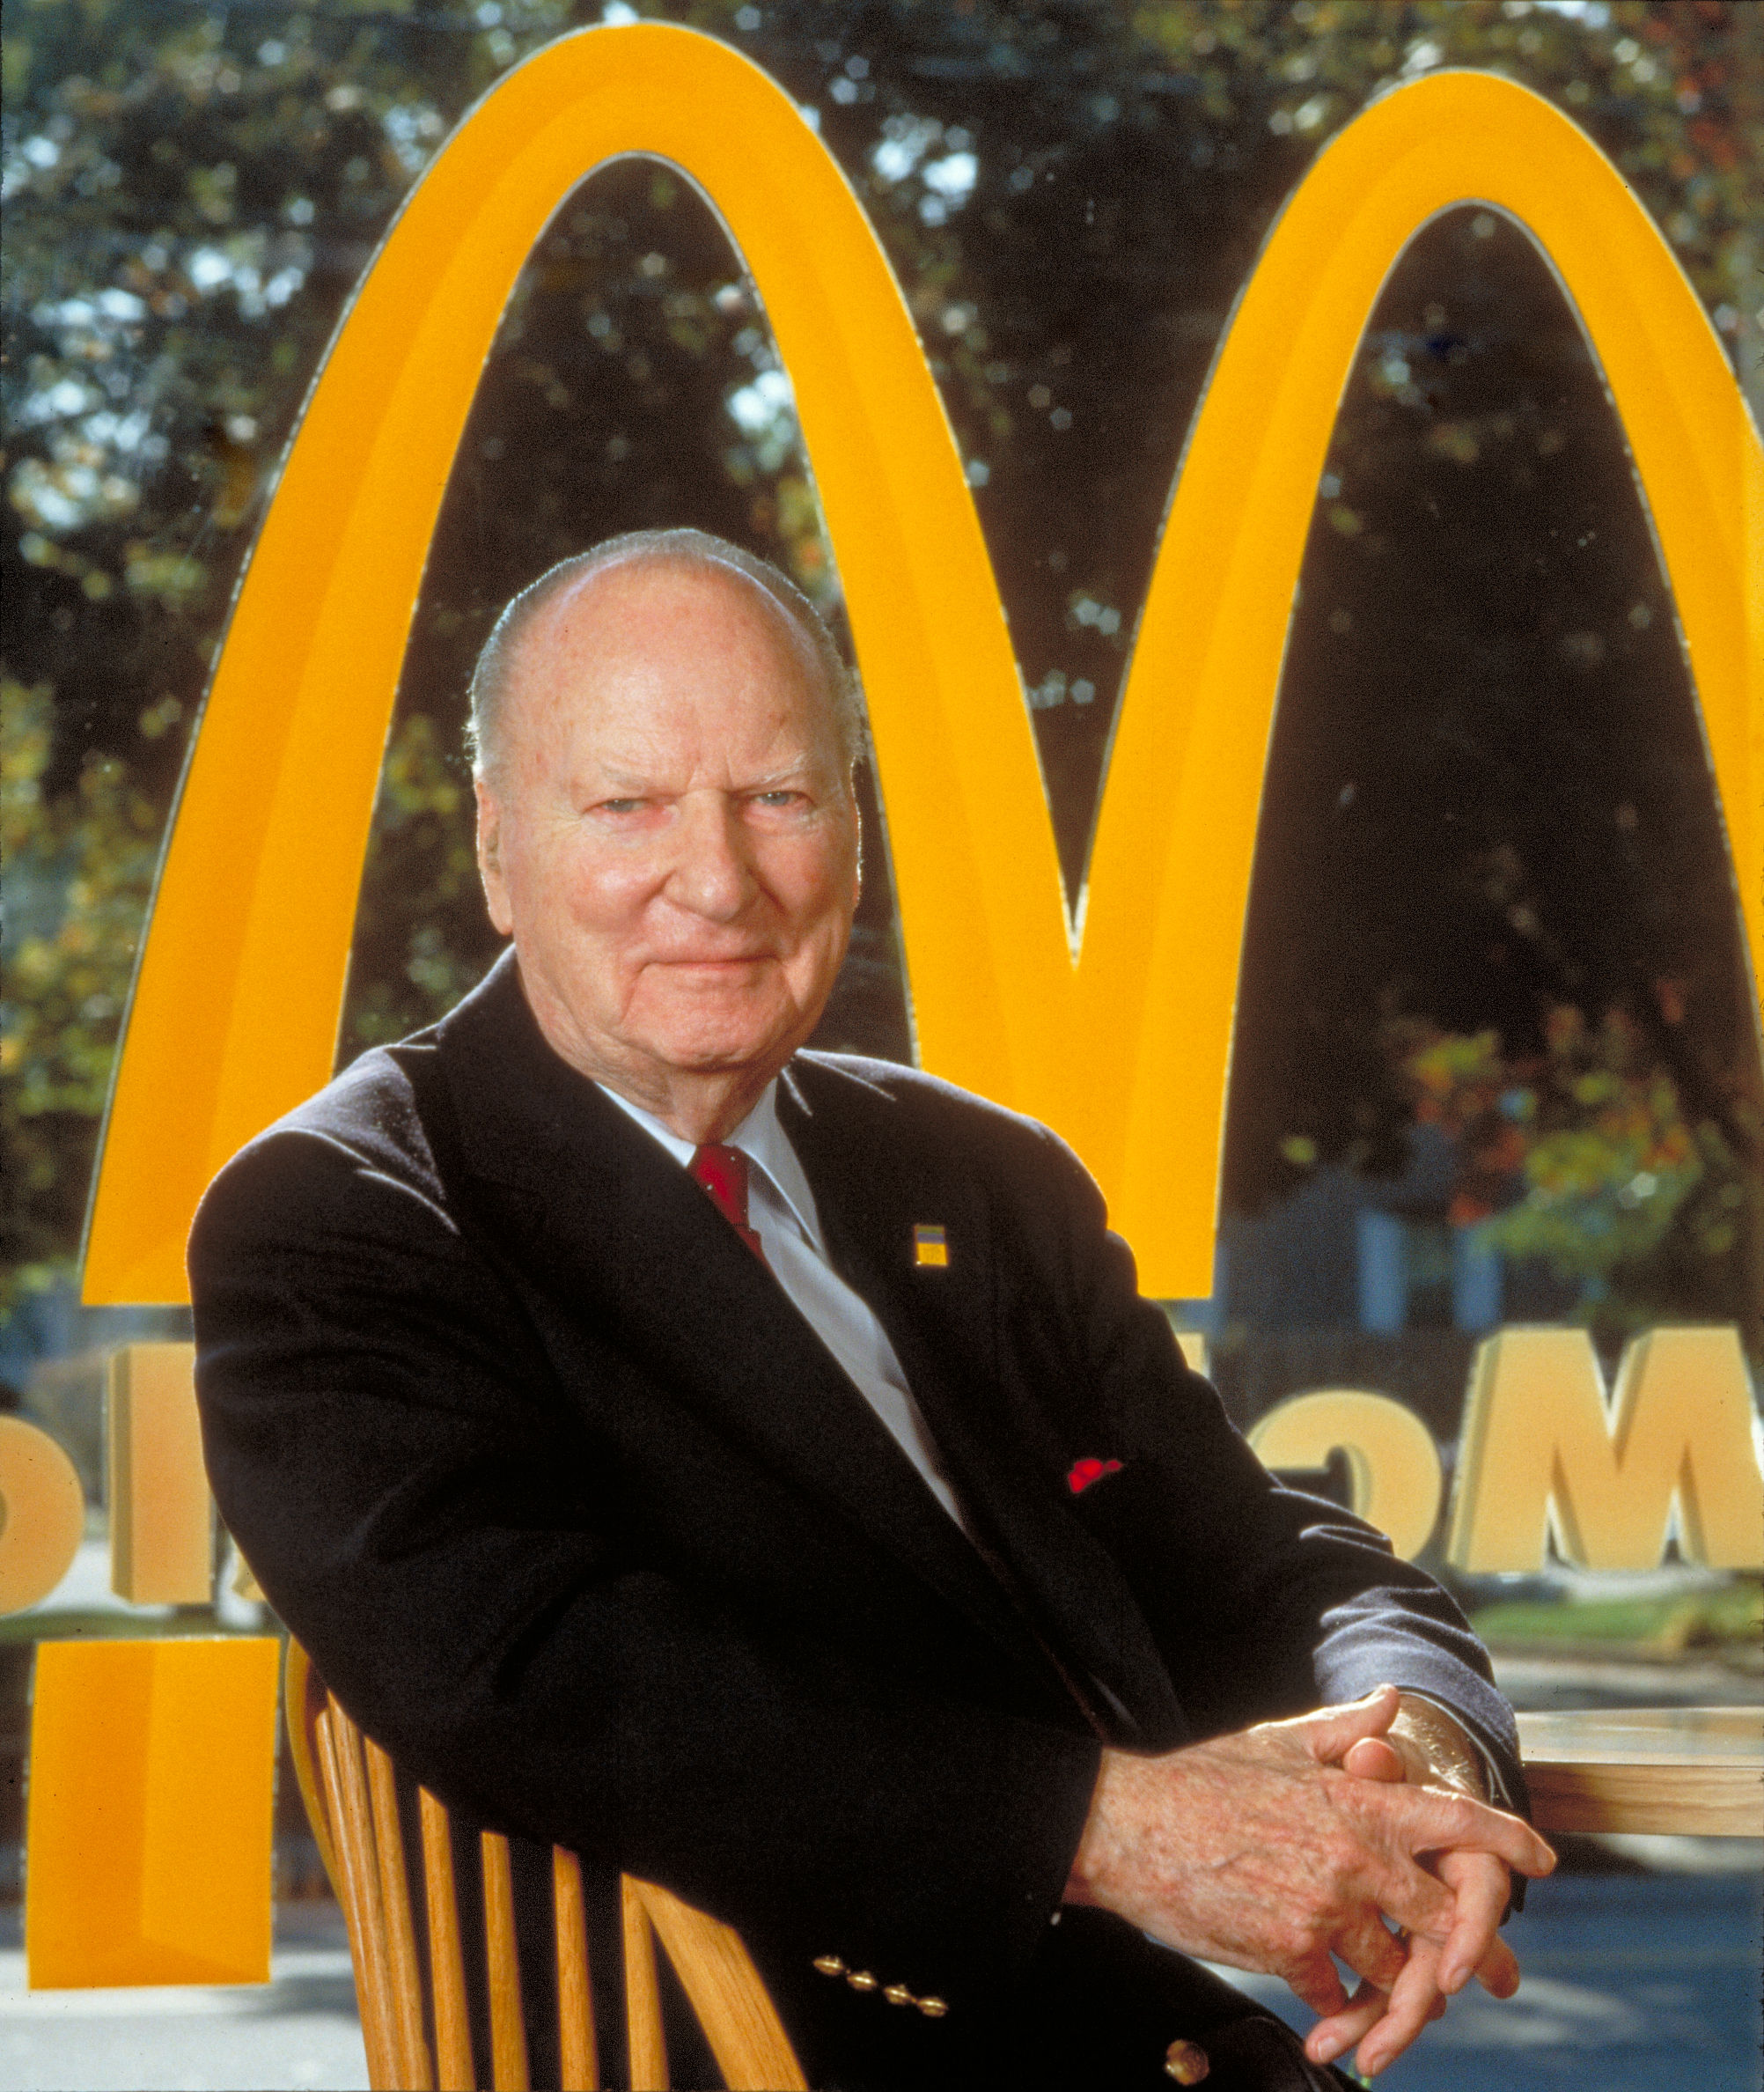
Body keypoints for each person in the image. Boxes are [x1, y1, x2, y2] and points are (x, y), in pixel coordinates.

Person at [190, 529, 1554, 2090]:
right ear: (500, 852)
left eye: (777, 797)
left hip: (1154, 2050)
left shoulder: (980, 1178)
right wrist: (1110, 1831)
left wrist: (1432, 1747)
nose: (716, 879)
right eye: (628, 804)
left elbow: (1250, 1545)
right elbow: (534, 1672)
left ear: (853, 832)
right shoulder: (348, 1212)